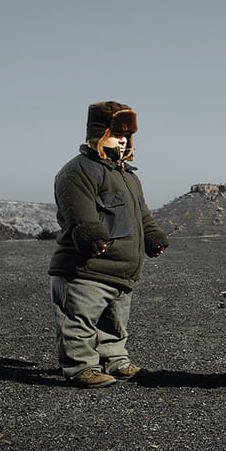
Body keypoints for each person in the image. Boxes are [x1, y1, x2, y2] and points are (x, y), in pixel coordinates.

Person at [49, 101, 169, 388]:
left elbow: (141, 214)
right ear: (98, 133)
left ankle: (114, 361)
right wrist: (90, 234)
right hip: (86, 269)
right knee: (79, 320)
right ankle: (81, 367)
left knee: (114, 324)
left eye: (127, 135)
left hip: (119, 271)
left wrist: (153, 237)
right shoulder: (78, 171)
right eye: (117, 134)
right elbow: (77, 209)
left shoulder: (128, 176)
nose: (124, 140)